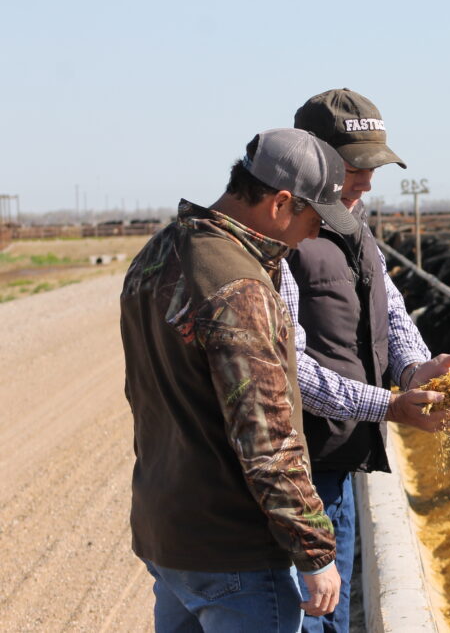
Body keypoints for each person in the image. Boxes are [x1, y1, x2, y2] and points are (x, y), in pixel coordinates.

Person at [121, 128, 362, 632]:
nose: (314, 235)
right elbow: (267, 438)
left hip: (167, 533)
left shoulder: (157, 253)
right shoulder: (240, 288)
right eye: (315, 219)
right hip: (234, 553)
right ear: (280, 202)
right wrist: (315, 552)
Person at [280, 88, 450, 633]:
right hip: (299, 466)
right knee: (308, 621)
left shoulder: (356, 225)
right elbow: (289, 368)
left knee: (332, 616)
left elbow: (391, 310)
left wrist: (415, 368)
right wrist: (389, 406)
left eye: (374, 166)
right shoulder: (282, 239)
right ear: (310, 159)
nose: (367, 181)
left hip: (341, 458)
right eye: (354, 167)